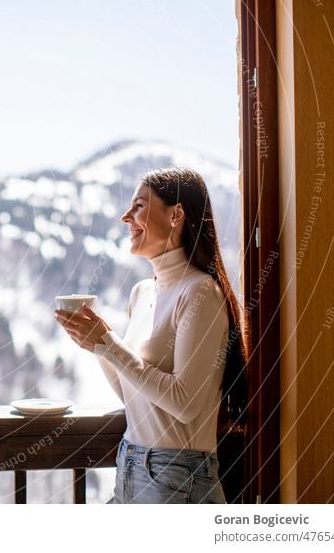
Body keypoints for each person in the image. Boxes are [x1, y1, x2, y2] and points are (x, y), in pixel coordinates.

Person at [56, 167, 247, 504]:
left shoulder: (200, 292)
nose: (125, 216)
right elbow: (136, 397)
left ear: (176, 215)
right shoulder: (142, 292)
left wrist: (108, 344)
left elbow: (185, 404)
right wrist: (97, 345)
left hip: (177, 480)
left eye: (139, 206)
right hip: (130, 466)